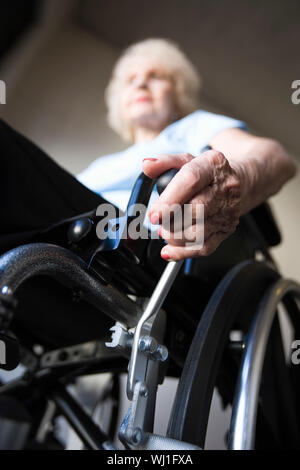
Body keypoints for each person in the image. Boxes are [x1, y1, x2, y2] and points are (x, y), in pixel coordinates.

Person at [77, 38, 297, 261]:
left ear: (177, 95)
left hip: (128, 241)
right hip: (71, 227)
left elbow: (276, 158)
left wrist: (235, 184)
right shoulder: (101, 166)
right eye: (130, 80)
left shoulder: (193, 127)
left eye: (156, 76)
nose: (141, 84)